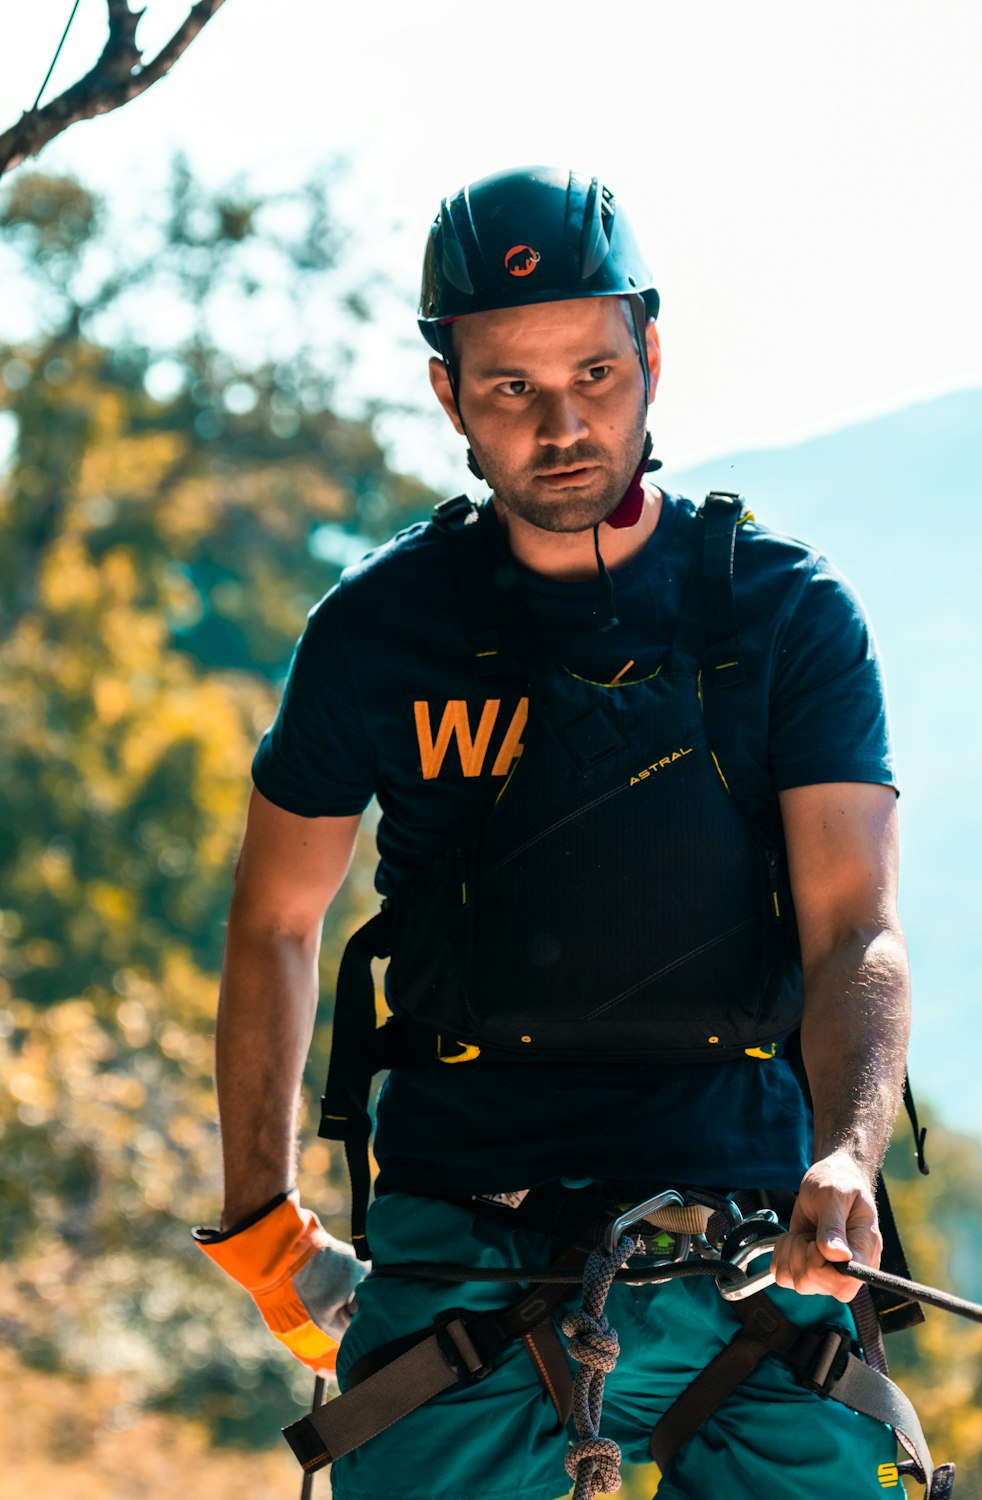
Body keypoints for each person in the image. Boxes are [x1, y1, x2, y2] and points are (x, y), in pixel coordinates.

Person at [196, 166, 922, 1499]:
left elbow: (855, 932)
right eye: (511, 388)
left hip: (756, 1237)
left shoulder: (785, 618)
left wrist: (847, 1153)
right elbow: (278, 919)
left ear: (650, 353)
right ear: (448, 395)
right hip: (463, 1232)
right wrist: (258, 1216)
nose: (564, 422)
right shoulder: (377, 632)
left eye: (594, 372)